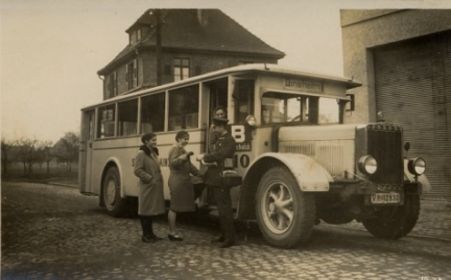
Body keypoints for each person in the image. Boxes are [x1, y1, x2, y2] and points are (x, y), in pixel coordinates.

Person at [202, 117, 237, 248]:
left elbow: (221, 155)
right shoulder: (220, 139)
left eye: (215, 127)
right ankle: (223, 234)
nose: (214, 130)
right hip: (217, 177)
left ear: (221, 127)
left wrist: (206, 157)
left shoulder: (229, 140)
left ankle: (230, 238)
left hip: (222, 177)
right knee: (221, 208)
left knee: (225, 209)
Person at [167, 130, 200, 241]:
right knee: (174, 207)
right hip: (177, 180)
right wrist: (184, 156)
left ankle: (173, 231)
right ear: (179, 139)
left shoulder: (182, 150)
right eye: (185, 138)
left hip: (182, 180)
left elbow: (189, 166)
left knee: (176, 207)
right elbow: (173, 164)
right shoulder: (175, 149)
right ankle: (172, 232)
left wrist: (199, 173)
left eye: (187, 138)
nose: (187, 141)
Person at [134, 133, 165, 243]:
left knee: (151, 211)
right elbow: (137, 170)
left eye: (155, 140)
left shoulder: (153, 152)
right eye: (153, 140)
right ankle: (145, 235)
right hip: (147, 186)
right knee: (145, 210)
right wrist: (149, 179)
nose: (155, 142)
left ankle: (151, 234)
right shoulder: (141, 153)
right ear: (146, 141)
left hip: (153, 187)